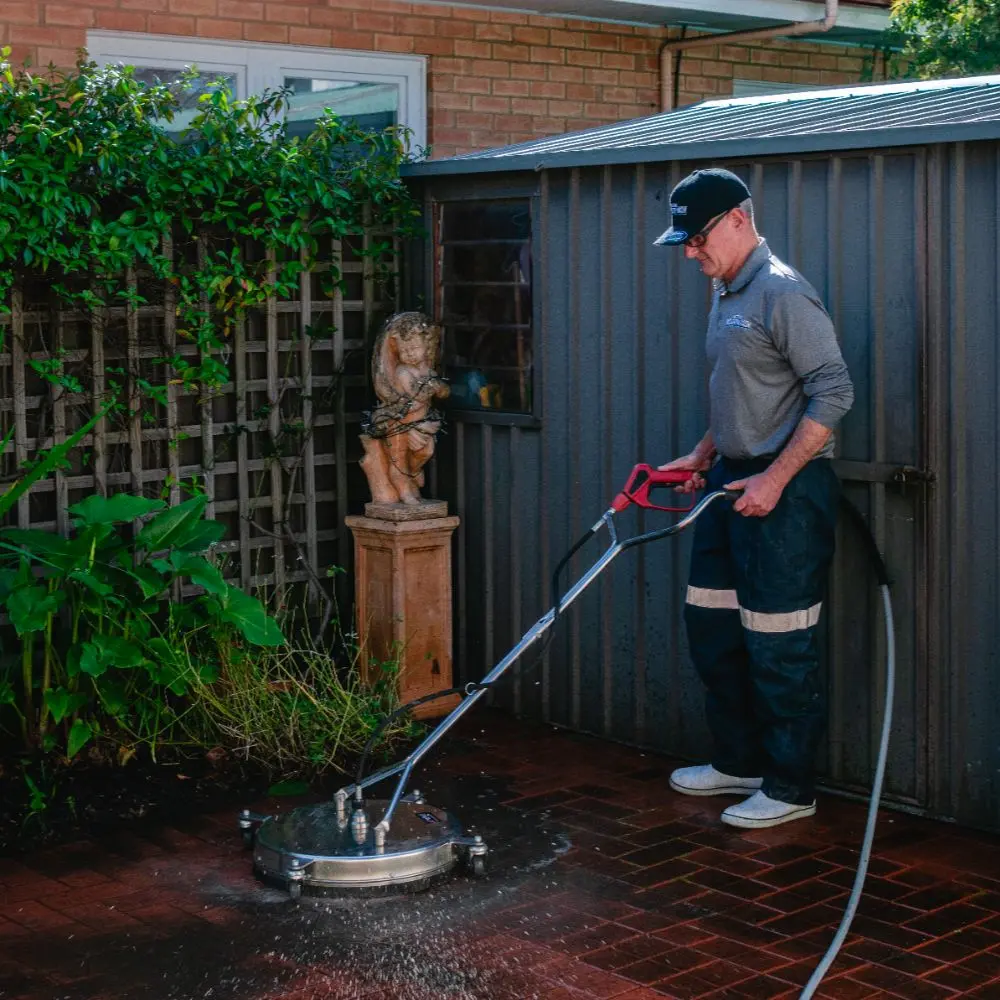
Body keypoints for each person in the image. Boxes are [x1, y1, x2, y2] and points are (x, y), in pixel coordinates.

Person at [655, 168, 854, 830]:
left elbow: (834, 391)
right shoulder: (726, 288)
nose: (690, 253)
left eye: (697, 238)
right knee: (711, 625)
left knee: (779, 642)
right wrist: (706, 451)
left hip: (786, 492)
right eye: (683, 241)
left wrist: (775, 479)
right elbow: (745, 387)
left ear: (738, 219)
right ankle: (739, 761)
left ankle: (791, 787)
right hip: (728, 481)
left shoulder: (782, 293)